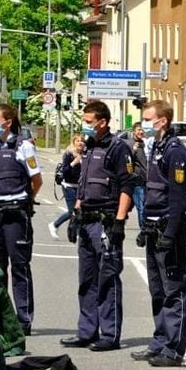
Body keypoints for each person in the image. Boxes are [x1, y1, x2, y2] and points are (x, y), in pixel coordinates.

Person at [61, 100, 138, 352]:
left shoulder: (118, 148)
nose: (85, 126)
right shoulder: (90, 146)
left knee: (107, 277)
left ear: (102, 122)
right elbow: (85, 184)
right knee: (87, 279)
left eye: (88, 121)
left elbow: (127, 186)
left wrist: (119, 221)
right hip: (87, 219)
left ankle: (110, 333)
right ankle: (86, 330)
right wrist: (75, 214)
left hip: (106, 221)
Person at [132, 101, 186, 368]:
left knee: (174, 289)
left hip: (170, 229)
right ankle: (159, 341)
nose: (143, 123)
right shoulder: (156, 146)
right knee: (157, 289)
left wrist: (169, 232)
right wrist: (146, 228)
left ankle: (174, 349)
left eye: (148, 119)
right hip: (154, 227)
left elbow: (178, 198)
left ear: (163, 121)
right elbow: (152, 193)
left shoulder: (176, 152)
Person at [0, 103, 42, 335]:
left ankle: (24, 318)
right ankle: (0, 318)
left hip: (15, 214)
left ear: (8, 122)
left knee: (19, 266)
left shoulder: (23, 146)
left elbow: (37, 180)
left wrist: (27, 201)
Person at [49, 134, 85, 239]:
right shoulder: (68, 155)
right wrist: (74, 163)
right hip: (69, 186)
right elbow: (65, 171)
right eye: (78, 141)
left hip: (80, 187)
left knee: (80, 210)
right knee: (72, 211)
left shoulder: (85, 155)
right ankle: (54, 225)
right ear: (73, 142)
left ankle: (77, 232)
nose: (80, 143)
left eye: (82, 141)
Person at [130, 121, 148, 227]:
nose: (141, 132)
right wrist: (133, 150)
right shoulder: (131, 144)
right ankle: (143, 232)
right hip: (137, 181)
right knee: (141, 207)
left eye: (142, 130)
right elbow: (126, 161)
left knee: (145, 206)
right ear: (134, 132)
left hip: (147, 180)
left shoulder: (144, 144)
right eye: (139, 130)